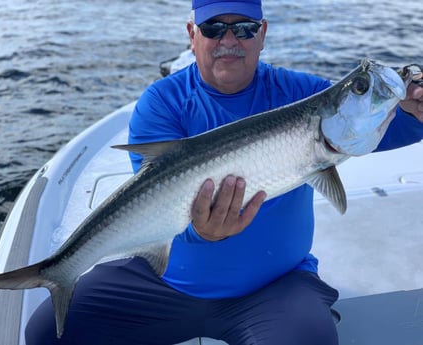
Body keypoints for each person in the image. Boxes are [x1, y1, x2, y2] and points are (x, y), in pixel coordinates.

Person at [26, 0, 423, 344]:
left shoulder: (300, 94)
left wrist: (414, 110)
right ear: (192, 34)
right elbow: (155, 202)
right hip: (165, 284)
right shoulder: (163, 102)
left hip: (275, 288)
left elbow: (375, 128)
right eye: (214, 28)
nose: (229, 40)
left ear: (262, 33)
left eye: (245, 29)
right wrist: (201, 235)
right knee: (47, 332)